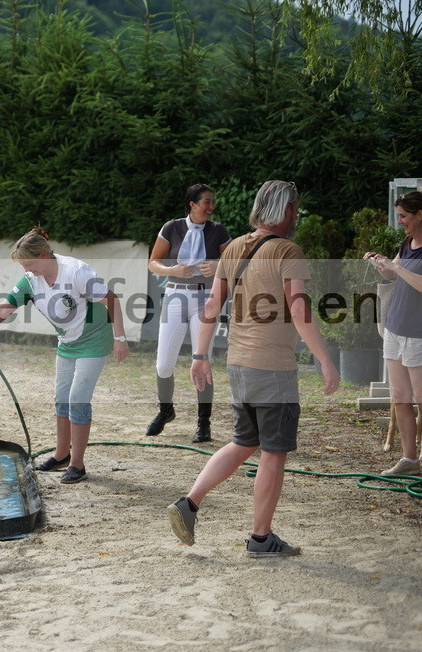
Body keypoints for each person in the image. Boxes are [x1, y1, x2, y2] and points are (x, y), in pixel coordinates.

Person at [168, 180, 340, 558]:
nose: (296, 214)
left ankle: (190, 502)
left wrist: (200, 356)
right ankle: (261, 538)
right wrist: (326, 360)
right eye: (294, 207)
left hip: (239, 361)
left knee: (245, 442)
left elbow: (212, 303)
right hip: (273, 366)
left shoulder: (234, 247)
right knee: (273, 452)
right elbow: (298, 308)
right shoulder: (288, 250)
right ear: (285, 210)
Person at [0, 228, 129, 484]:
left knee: (77, 399)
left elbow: (111, 299)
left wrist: (120, 339)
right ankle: (61, 454)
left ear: (44, 254)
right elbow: (4, 309)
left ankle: (77, 464)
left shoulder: (76, 272)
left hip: (94, 339)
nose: (27, 269)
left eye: (29, 263)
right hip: (67, 341)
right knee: (61, 399)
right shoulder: (30, 279)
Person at [146, 184, 232, 441]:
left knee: (202, 360)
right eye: (206, 202)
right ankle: (165, 410)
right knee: (163, 364)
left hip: (205, 298)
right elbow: (153, 262)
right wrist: (172, 270)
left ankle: (203, 423)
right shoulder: (171, 227)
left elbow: (234, 262)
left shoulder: (218, 230)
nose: (211, 206)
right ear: (192, 204)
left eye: (212, 202)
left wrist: (218, 265)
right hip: (175, 295)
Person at [366, 190, 422, 476]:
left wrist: (396, 269)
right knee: (400, 397)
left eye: (403, 216)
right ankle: (409, 460)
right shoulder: (408, 242)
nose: (399, 221)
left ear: (420, 214)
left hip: (418, 333)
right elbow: (393, 274)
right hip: (395, 327)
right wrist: (383, 264)